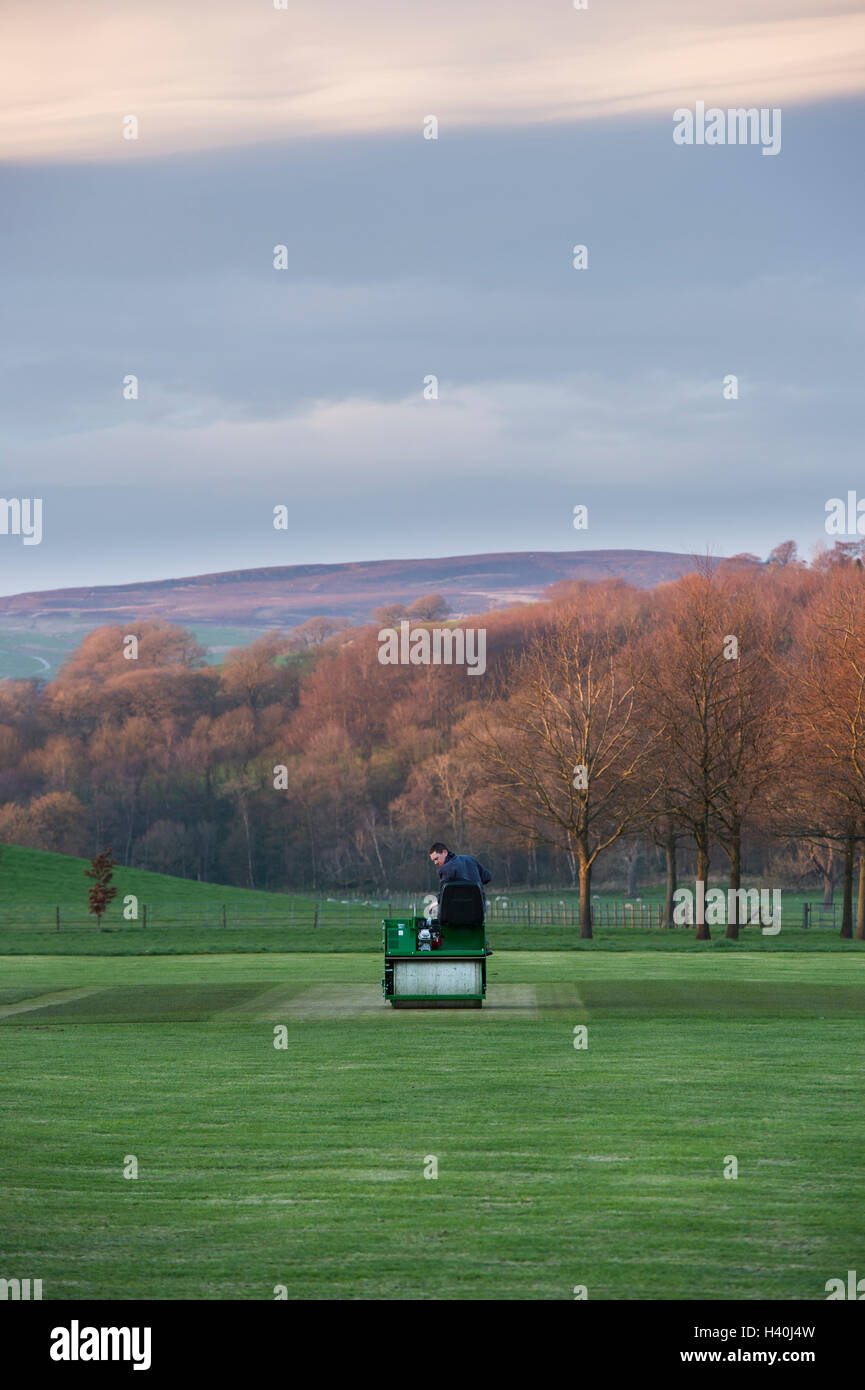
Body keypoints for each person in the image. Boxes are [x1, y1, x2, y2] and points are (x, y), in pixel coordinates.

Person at [428, 842, 493, 954]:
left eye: (436, 859)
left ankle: (437, 942)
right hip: (477, 911)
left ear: (444, 852)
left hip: (454, 915)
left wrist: (436, 902)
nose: (435, 863)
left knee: (433, 915)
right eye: (433, 860)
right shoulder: (470, 860)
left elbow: (444, 892)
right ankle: (483, 942)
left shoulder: (446, 870)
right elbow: (487, 877)